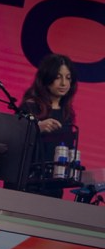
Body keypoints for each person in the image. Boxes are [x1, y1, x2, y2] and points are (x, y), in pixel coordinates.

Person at [21, 53, 79, 199]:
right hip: (27, 184)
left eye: (68, 78)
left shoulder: (67, 114)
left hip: (54, 187)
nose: (64, 83)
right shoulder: (30, 106)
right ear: (46, 78)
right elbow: (14, 139)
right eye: (58, 77)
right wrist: (37, 128)